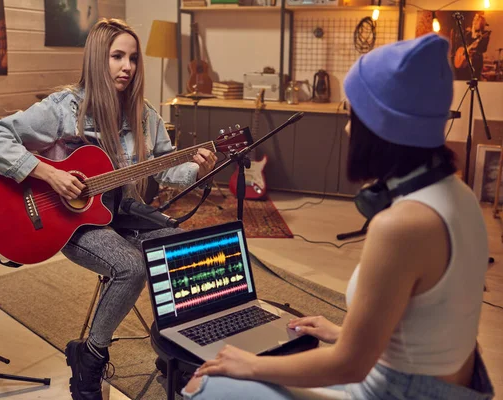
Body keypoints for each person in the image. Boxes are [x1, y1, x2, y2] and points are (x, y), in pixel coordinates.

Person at [182, 33, 494, 400]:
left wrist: (247, 364)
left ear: (380, 127)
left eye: (351, 114)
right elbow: (427, 326)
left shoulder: (402, 224)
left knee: (204, 384)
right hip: (447, 386)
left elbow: (349, 366)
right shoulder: (461, 195)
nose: (346, 128)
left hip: (399, 392)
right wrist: (342, 333)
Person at [0, 18, 217, 400]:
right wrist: (49, 175)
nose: (128, 67)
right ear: (97, 59)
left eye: (133, 58)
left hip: (123, 208)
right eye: (117, 56)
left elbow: (167, 166)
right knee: (131, 266)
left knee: (184, 250)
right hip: (72, 221)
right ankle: (90, 355)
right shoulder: (64, 108)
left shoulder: (145, 113)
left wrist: (199, 168)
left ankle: (174, 351)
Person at [454, 13, 491, 81]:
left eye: (477, 21)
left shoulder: (484, 36)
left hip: (476, 62)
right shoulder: (467, 34)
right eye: (474, 20)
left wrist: (477, 45)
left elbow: (483, 49)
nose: (474, 22)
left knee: (474, 79)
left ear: (481, 24)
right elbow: (460, 47)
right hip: (464, 63)